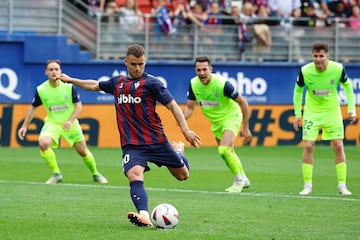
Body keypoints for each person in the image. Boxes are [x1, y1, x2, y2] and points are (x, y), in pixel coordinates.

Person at [56, 44, 201, 227]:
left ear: (145, 62)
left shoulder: (152, 83)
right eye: (134, 64)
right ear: (126, 62)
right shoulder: (118, 83)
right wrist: (71, 80)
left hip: (156, 141)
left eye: (141, 64)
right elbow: (94, 85)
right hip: (132, 144)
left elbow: (172, 105)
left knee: (182, 175)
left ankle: (178, 151)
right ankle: (144, 216)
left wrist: (185, 130)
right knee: (134, 174)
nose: (138, 68)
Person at [17, 60, 108, 184]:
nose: (54, 72)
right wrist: (24, 126)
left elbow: (78, 106)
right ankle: (56, 174)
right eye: (51, 69)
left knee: (82, 150)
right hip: (53, 123)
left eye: (56, 69)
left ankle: (95, 173)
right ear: (46, 72)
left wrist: (70, 121)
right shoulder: (41, 89)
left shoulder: (69, 87)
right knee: (43, 144)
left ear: (60, 71)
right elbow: (33, 107)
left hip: (70, 122)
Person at [292, 41, 357, 196]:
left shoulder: (338, 69)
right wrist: (297, 115)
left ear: (328, 56)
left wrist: (351, 110)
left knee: (338, 145)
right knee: (308, 146)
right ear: (312, 56)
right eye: (315, 56)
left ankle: (342, 185)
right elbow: (297, 91)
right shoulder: (305, 71)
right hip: (312, 112)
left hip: (332, 111)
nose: (318, 59)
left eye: (321, 56)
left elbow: (348, 87)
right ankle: (307, 185)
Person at [183, 56, 252, 193]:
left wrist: (246, 127)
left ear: (211, 69)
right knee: (227, 152)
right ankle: (244, 178)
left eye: (204, 69)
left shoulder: (222, 84)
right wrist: (181, 121)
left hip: (232, 116)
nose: (202, 73)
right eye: (198, 70)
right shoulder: (193, 84)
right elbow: (190, 108)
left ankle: (238, 181)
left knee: (223, 149)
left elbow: (243, 102)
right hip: (216, 123)